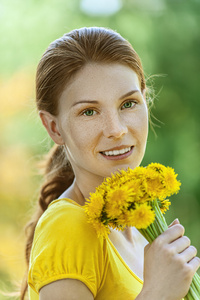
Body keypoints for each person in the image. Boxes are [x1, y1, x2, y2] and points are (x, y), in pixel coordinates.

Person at [22, 27, 200, 300]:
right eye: (89, 111)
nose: (116, 130)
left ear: (146, 101)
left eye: (128, 104)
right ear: (54, 127)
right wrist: (158, 294)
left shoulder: (143, 230)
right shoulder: (68, 226)